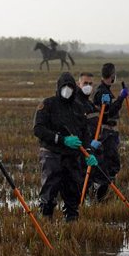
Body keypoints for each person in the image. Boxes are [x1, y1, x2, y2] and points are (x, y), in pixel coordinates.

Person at [33, 72, 98, 222]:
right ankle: (46, 221)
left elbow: (85, 134)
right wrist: (61, 139)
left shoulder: (78, 107)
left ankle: (71, 224)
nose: (67, 89)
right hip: (52, 155)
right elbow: (38, 129)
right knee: (49, 193)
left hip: (72, 157)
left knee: (73, 194)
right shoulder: (48, 104)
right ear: (59, 87)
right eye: (65, 86)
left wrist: (89, 152)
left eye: (70, 86)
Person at [90, 63, 128, 201]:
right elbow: (107, 113)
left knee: (111, 164)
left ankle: (102, 191)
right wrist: (121, 99)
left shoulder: (104, 90)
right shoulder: (102, 91)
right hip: (106, 132)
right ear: (112, 75)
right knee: (110, 164)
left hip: (110, 132)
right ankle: (99, 192)